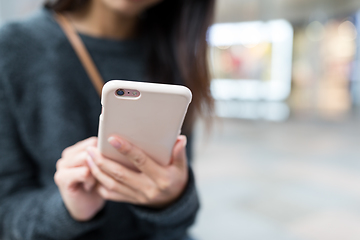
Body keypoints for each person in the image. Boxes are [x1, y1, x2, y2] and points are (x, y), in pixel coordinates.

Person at [0, 0, 214, 239]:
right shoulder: (11, 48)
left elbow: (181, 224)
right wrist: (67, 209)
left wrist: (173, 199)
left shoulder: (175, 49)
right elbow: (6, 214)